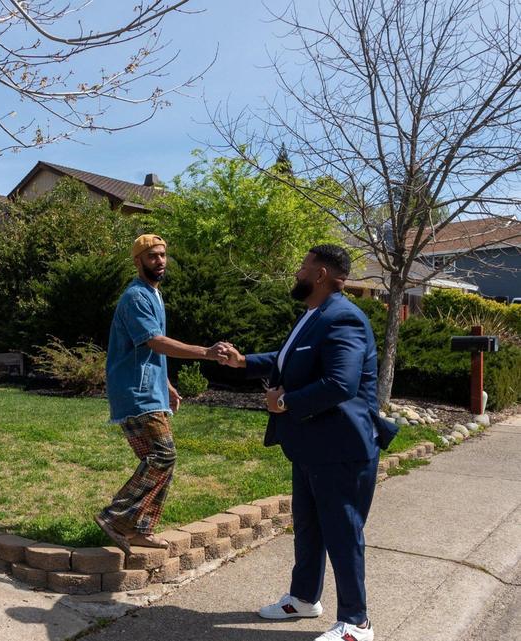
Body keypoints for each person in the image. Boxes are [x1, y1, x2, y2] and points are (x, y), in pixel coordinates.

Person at [218, 244, 397, 641]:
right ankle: (303, 599)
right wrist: (243, 362)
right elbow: (289, 359)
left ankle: (357, 622)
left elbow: (340, 383)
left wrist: (283, 402)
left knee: (343, 532)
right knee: (309, 527)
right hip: (312, 447)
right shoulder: (314, 316)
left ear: (320, 275)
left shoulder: (343, 319)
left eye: (303, 266)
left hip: (341, 449)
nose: (297, 272)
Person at [97, 233, 227, 553]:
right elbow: (154, 341)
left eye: (163, 255)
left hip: (150, 389)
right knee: (163, 455)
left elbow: (153, 352)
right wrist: (206, 352)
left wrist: (166, 384)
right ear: (138, 260)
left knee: (158, 463)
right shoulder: (136, 298)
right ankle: (115, 517)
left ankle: (142, 528)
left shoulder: (154, 295)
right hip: (135, 392)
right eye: (153, 256)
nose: (160, 261)